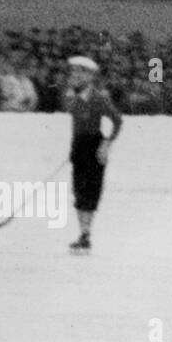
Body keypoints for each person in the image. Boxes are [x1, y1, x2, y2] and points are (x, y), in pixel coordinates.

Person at [63, 55, 122, 255]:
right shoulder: (71, 96)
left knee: (91, 190)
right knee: (79, 191)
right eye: (73, 73)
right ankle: (83, 234)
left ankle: (86, 233)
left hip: (95, 145)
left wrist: (106, 143)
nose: (74, 76)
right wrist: (74, 148)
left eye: (79, 73)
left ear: (89, 76)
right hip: (79, 145)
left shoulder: (99, 98)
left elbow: (117, 120)